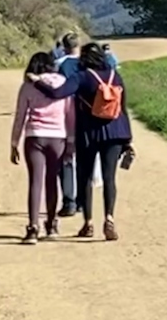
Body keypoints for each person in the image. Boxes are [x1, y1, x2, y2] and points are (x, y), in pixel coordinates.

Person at [30, 42, 133, 242]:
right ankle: (109, 217)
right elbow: (123, 107)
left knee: (84, 177)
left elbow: (57, 93)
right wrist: (128, 139)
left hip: (88, 132)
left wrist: (36, 81)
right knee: (109, 178)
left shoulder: (81, 77)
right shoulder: (115, 76)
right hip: (116, 131)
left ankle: (88, 223)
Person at [11, 51, 75, 243]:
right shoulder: (63, 82)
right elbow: (70, 114)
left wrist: (14, 142)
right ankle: (51, 225)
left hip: (34, 135)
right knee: (52, 181)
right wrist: (71, 141)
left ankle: (32, 228)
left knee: (35, 182)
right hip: (58, 137)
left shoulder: (28, 86)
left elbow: (20, 116)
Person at [53, 33, 81, 217]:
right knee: (85, 158)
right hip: (88, 114)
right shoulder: (88, 62)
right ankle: (82, 201)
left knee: (66, 159)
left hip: (66, 114)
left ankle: (69, 200)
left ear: (63, 46)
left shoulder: (59, 64)